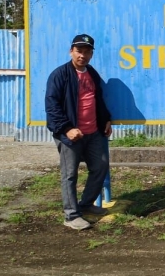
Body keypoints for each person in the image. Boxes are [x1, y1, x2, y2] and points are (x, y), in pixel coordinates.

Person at [45, 33, 113, 230]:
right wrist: (66, 129)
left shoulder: (91, 73)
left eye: (87, 52)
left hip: (93, 132)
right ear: (71, 51)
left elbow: (97, 100)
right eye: (79, 51)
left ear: (91, 54)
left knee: (101, 166)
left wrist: (106, 119)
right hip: (70, 134)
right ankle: (71, 215)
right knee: (69, 174)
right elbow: (52, 106)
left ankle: (86, 205)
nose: (82, 55)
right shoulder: (59, 75)